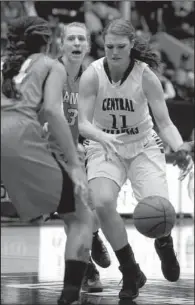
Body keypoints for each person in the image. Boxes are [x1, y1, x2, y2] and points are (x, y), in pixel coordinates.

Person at [78, 18, 193, 300]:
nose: (114, 52)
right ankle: (130, 271)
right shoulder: (92, 74)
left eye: (120, 47)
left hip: (142, 145)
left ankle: (164, 243)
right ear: (102, 45)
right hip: (105, 145)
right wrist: (101, 136)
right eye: (108, 46)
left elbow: (164, 123)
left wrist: (180, 147)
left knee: (161, 212)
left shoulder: (145, 76)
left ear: (131, 46)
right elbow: (82, 123)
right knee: (103, 203)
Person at [1, 16, 93, 305]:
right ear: (49, 40)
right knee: (80, 217)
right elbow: (54, 112)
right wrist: (76, 167)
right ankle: (70, 296)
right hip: (16, 132)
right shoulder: (52, 66)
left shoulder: (5, 64)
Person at [45, 22, 110, 293]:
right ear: (61, 43)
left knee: (90, 211)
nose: (75, 43)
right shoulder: (50, 72)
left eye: (80, 39)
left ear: (87, 45)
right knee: (74, 216)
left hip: (81, 151)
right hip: (50, 152)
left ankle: (93, 238)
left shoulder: (93, 77)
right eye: (70, 38)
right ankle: (86, 270)